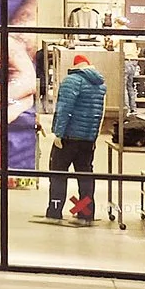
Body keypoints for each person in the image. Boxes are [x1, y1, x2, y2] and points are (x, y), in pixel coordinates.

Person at [45, 53, 107, 224]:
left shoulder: (71, 81)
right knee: (85, 177)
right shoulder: (100, 85)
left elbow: (64, 109)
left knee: (58, 174)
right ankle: (85, 214)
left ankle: (54, 212)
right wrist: (94, 136)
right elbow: (100, 114)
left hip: (69, 137)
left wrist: (58, 133)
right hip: (88, 139)